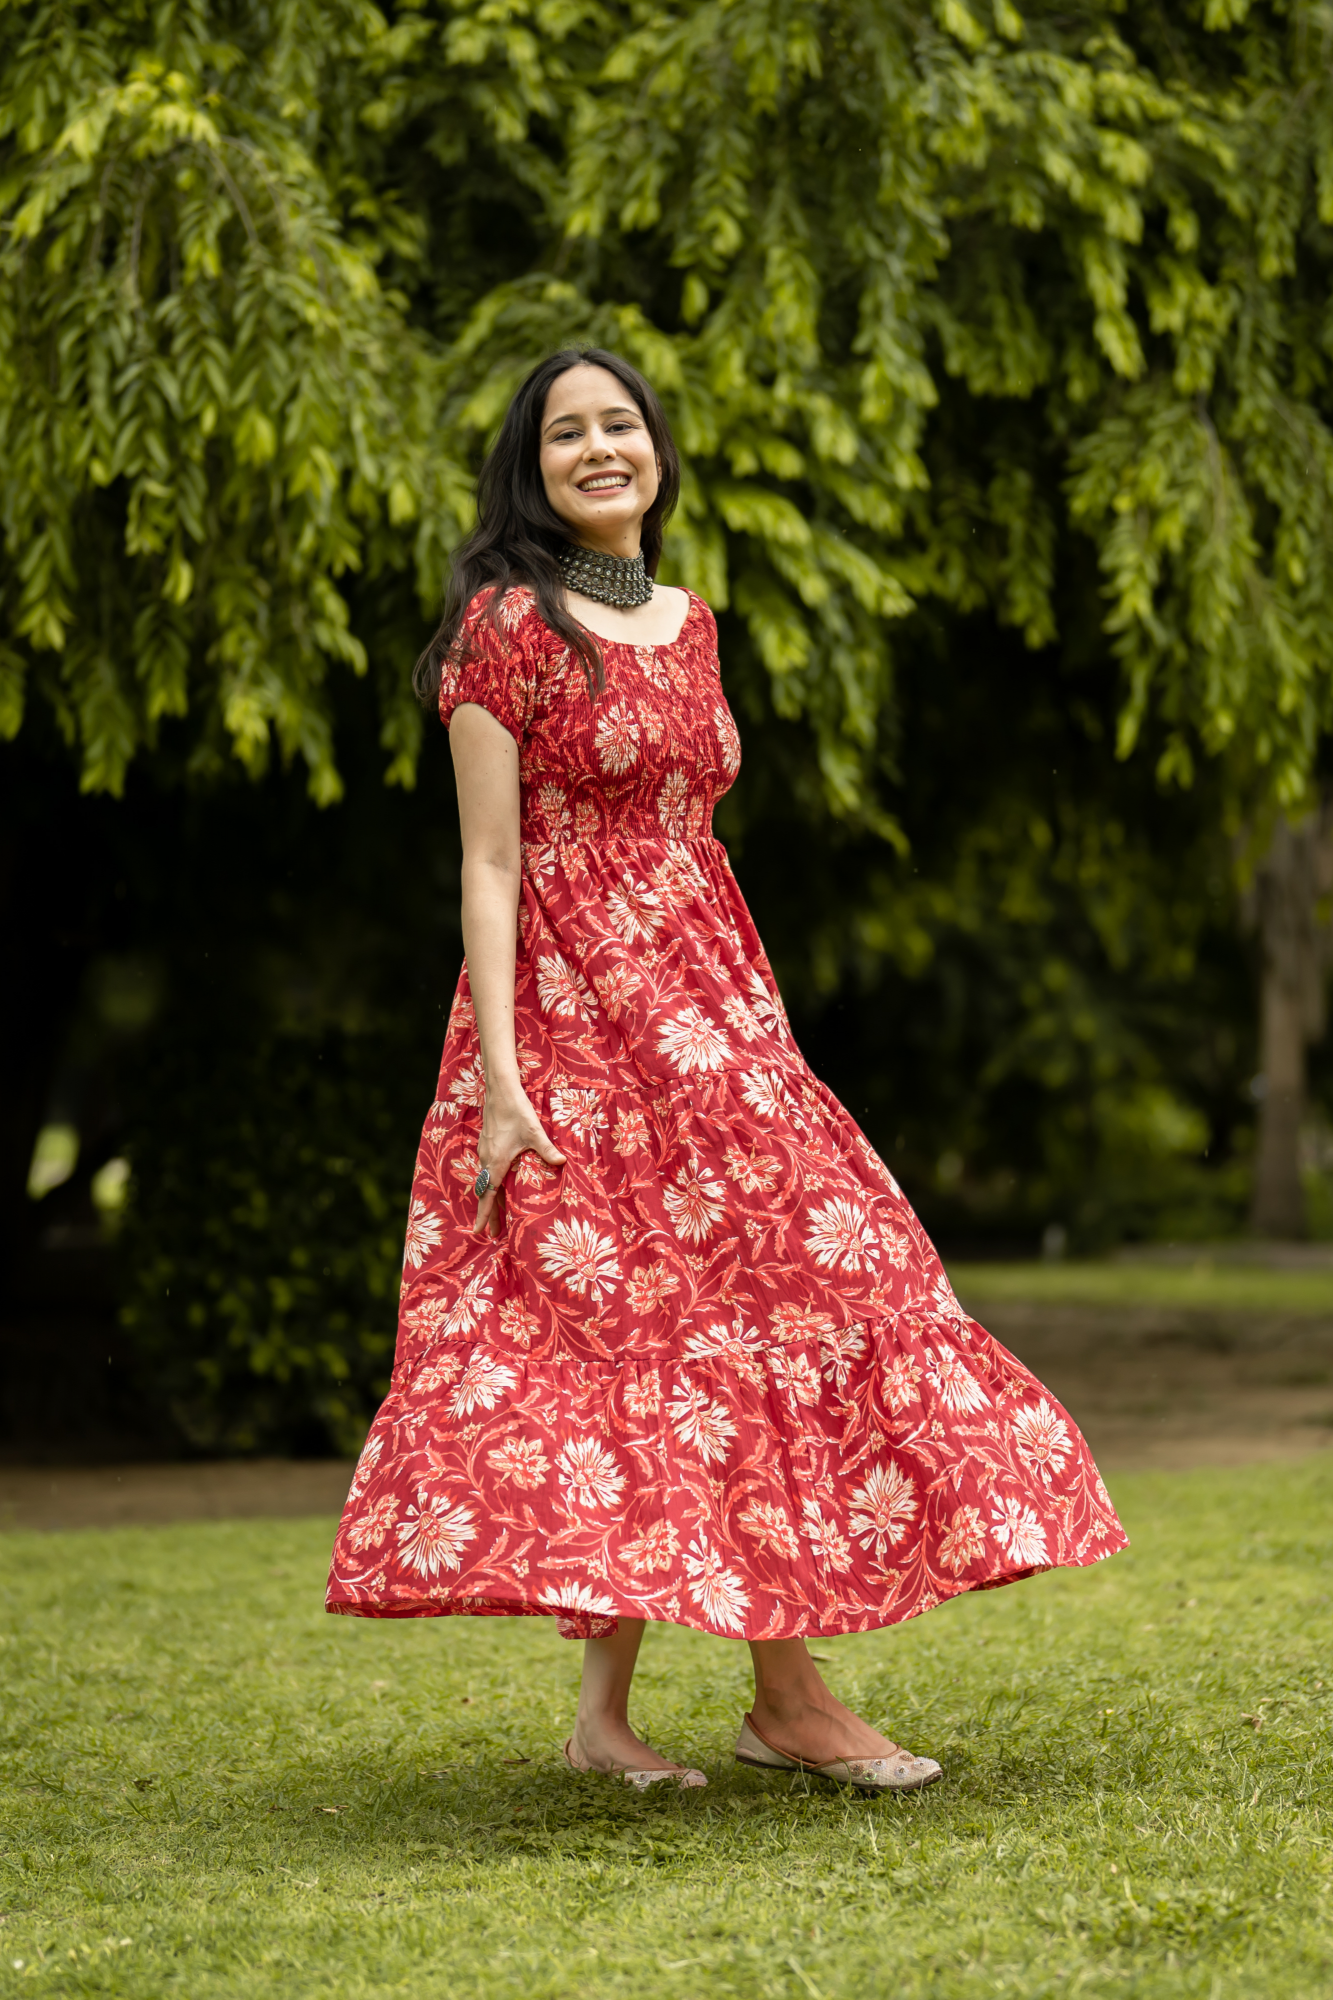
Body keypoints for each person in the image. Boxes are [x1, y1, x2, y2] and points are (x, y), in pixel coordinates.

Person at [326, 347, 1127, 1794]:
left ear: (656, 449)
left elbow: (694, 839)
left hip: (714, 1017)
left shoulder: (693, 624)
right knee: (625, 1334)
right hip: (569, 1026)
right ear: (532, 465)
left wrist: (749, 1022)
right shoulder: (501, 629)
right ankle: (741, 1707)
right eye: (565, 432)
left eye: (619, 423)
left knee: (818, 1285)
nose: (598, 448)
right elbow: (493, 864)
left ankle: (737, 1706)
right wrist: (504, 1084)